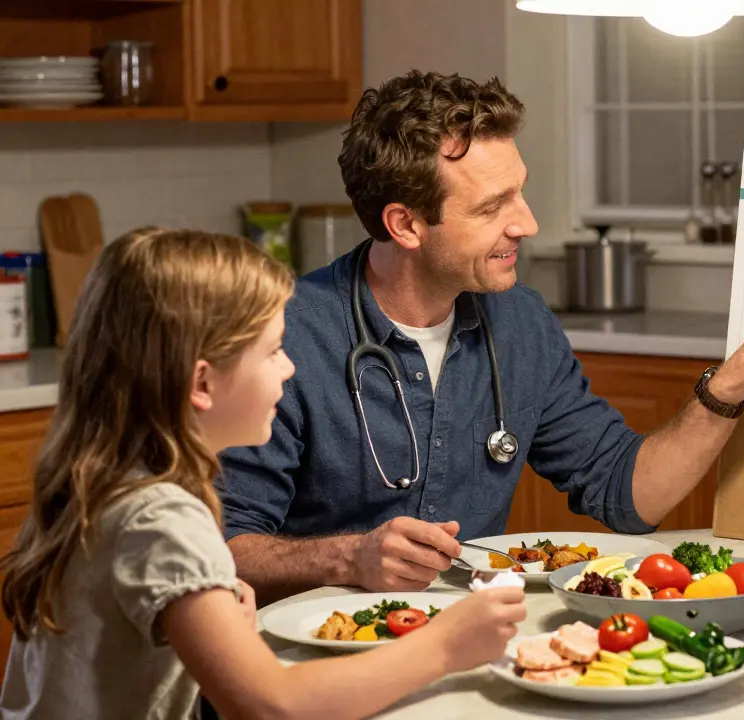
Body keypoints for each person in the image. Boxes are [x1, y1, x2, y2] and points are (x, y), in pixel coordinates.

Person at [216, 70, 744, 602]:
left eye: (521, 192)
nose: (528, 222)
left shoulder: (518, 322)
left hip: (465, 647)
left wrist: (734, 380)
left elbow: (626, 494)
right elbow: (220, 549)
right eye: (493, 207)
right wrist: (347, 560)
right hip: (310, 674)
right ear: (405, 224)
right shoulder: (281, 338)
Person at [0, 228, 526, 720]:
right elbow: (271, 707)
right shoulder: (162, 518)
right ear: (202, 382)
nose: (289, 367)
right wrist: (445, 646)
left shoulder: (106, 484)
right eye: (273, 350)